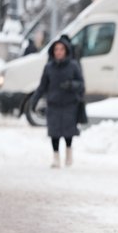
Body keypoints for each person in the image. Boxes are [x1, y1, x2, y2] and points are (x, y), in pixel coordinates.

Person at [30, 37, 85, 168]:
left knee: (68, 132)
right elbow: (42, 86)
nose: (59, 52)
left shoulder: (73, 66)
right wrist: (34, 100)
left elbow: (81, 84)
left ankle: (68, 153)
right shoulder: (49, 67)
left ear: (66, 51)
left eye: (61, 49)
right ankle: (56, 157)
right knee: (54, 132)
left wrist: (71, 85)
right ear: (53, 51)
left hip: (69, 104)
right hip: (53, 104)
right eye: (56, 49)